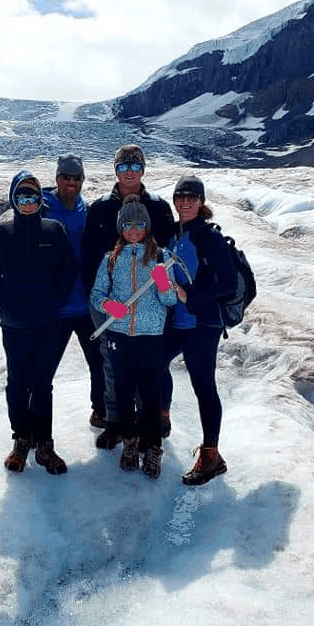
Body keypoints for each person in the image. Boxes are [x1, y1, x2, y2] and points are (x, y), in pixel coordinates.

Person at [0, 170, 76, 475]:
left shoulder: (54, 230)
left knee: (42, 385)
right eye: (21, 195)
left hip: (48, 323)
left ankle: (45, 445)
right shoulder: (2, 234)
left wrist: (57, 302)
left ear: (39, 199)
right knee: (17, 384)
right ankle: (22, 440)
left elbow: (69, 270)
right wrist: (2, 304)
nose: (27, 201)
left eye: (33, 195)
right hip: (14, 325)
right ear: (14, 199)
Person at [81, 144, 175, 449]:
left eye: (134, 166)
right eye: (123, 167)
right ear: (115, 170)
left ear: (143, 169)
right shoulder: (100, 208)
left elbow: (166, 257)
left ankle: (152, 422)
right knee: (112, 367)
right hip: (110, 300)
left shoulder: (159, 207)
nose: (129, 172)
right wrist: (100, 301)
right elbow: (88, 254)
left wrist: (164, 289)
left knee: (150, 370)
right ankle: (116, 422)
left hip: (149, 306)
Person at [90, 195, 177, 479]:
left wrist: (164, 285)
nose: (134, 229)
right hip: (119, 335)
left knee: (150, 393)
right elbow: (97, 294)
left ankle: (152, 446)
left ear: (147, 226)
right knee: (123, 391)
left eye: (140, 223)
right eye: (128, 224)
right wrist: (108, 306)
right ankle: (129, 442)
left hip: (150, 336)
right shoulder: (111, 259)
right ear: (121, 227)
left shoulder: (160, 258)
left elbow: (169, 301)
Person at [160, 174, 238, 485]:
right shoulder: (175, 235)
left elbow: (229, 284)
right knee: (155, 364)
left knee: (203, 387)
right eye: (181, 197)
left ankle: (211, 456)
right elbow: (169, 273)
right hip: (178, 321)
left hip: (203, 324)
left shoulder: (209, 237)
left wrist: (190, 297)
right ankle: (161, 418)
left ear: (201, 202)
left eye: (192, 197)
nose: (185, 202)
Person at [41, 154, 107, 429]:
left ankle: (101, 412)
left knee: (99, 365)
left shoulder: (85, 210)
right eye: (66, 177)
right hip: (54, 308)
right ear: (57, 179)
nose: (71, 182)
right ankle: (35, 430)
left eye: (76, 178)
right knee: (42, 372)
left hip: (86, 306)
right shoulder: (42, 208)